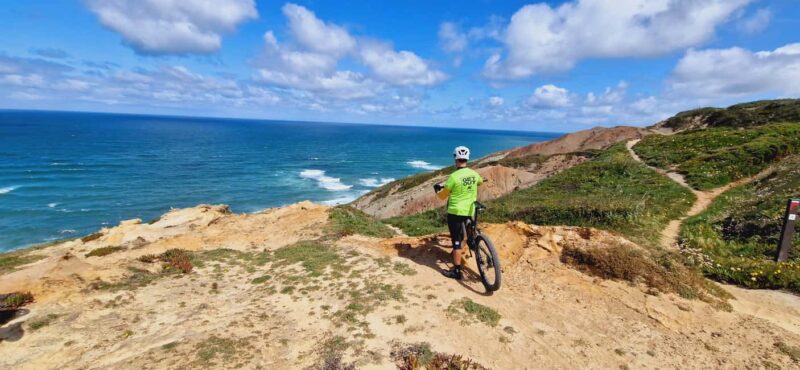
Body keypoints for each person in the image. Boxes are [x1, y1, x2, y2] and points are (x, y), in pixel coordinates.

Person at [433, 146, 483, 280]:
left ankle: (457, 271)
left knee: (456, 241)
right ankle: (473, 242)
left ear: (455, 158)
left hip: (455, 212)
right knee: (469, 226)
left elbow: (443, 196)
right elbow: (480, 181)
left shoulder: (453, 177)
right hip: (469, 209)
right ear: (467, 158)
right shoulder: (474, 174)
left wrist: (437, 190)